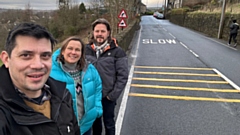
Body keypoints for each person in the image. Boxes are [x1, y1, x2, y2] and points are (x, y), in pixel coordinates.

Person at [0, 22, 80, 135]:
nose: (38, 65)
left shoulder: (63, 95)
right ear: (6, 59)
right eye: (26, 55)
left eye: (45, 56)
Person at [50, 36, 103, 135]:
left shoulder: (90, 70)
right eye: (70, 48)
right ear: (62, 51)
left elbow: (98, 88)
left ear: (82, 54)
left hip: (86, 125)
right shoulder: (50, 72)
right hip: (63, 128)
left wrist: (97, 110)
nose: (73, 52)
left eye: (77, 50)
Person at [85, 18, 129, 135]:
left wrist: (112, 96)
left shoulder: (118, 52)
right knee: (95, 124)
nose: (99, 34)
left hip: (107, 96)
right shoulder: (85, 50)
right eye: (97, 31)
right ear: (93, 32)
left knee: (109, 124)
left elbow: (123, 76)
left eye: (102, 31)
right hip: (91, 96)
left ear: (108, 33)